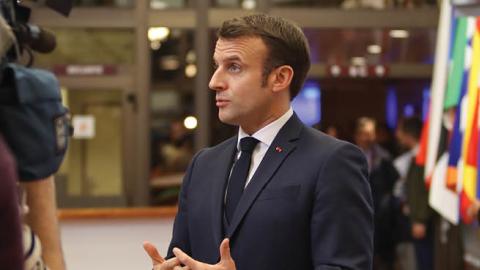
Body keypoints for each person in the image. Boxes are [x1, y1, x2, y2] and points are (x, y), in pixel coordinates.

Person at [144, 14, 374, 270]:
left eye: (233, 67)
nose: (214, 82)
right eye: (216, 66)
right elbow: (182, 258)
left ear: (280, 78)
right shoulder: (203, 165)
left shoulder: (333, 161)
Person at [353, 117, 399, 270]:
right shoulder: (346, 156)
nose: (368, 138)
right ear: (357, 135)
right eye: (364, 134)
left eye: (371, 134)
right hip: (356, 214)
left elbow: (393, 184)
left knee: (382, 255)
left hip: (381, 215)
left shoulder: (384, 157)